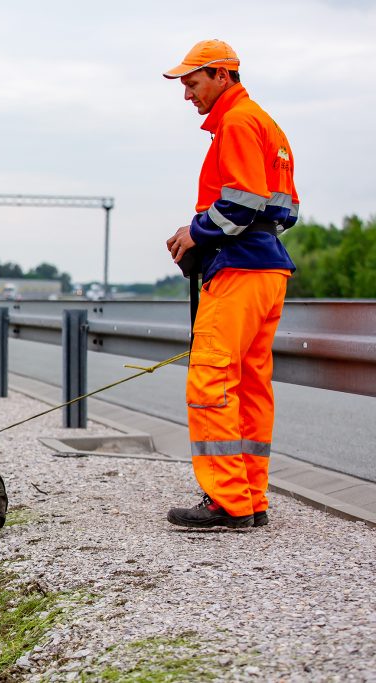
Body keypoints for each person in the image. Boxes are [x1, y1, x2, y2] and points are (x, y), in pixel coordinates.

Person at [162, 40, 299, 529]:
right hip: (269, 270)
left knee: (211, 380)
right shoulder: (267, 125)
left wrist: (193, 233)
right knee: (250, 385)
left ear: (223, 75)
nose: (187, 95)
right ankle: (251, 496)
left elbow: (240, 206)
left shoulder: (238, 124)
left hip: (239, 271)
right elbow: (284, 211)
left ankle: (227, 501)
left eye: (193, 83)